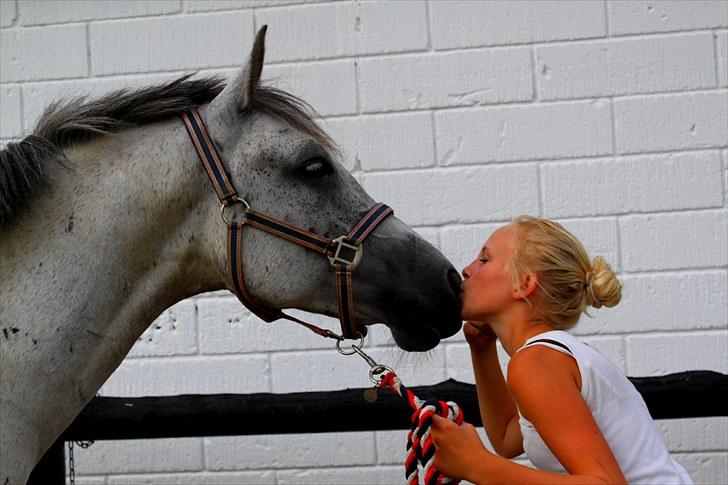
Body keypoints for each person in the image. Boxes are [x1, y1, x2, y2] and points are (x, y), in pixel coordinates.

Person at [430, 215, 692, 484]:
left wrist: (476, 465)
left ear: (524, 284)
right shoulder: (551, 356)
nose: (467, 269)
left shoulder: (535, 362)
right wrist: (482, 350)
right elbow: (508, 438)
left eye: (484, 260)